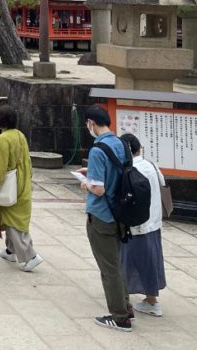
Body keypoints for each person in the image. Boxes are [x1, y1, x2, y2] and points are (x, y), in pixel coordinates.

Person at [79, 105, 132, 332]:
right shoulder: (121, 144)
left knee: (108, 267)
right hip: (121, 211)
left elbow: (98, 189)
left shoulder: (98, 150)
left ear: (91, 123)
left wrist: (85, 183)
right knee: (116, 263)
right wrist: (91, 173)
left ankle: (120, 317)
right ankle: (126, 306)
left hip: (102, 214)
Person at [0, 104, 43, 272]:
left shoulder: (3, 139)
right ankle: (11, 250)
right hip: (23, 181)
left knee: (14, 221)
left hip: (11, 184)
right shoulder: (19, 134)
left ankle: (30, 256)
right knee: (11, 216)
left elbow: (0, 166)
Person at [118, 133, 167, 318]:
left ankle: (151, 302)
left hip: (136, 224)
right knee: (151, 260)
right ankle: (150, 298)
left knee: (132, 260)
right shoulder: (151, 165)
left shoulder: (130, 170)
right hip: (153, 221)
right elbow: (162, 184)